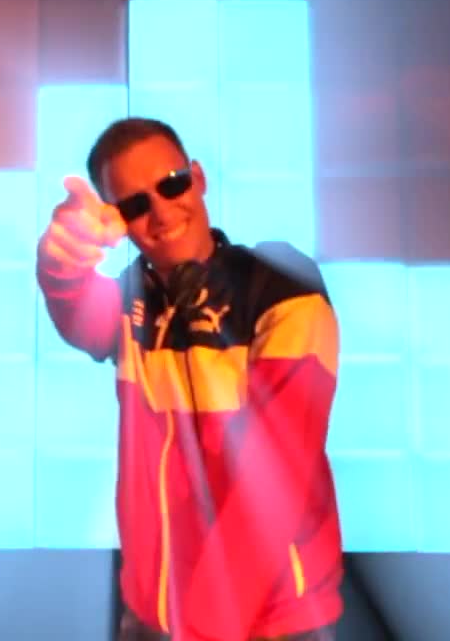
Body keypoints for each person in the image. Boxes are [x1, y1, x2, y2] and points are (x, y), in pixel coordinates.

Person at [36, 118, 343, 641]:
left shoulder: (282, 288)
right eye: (135, 204)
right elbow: (78, 312)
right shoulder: (131, 300)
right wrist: (63, 258)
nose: (160, 212)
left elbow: (274, 481)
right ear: (117, 219)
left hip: (270, 624)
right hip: (152, 618)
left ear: (198, 178)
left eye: (172, 184)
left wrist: (201, 629)